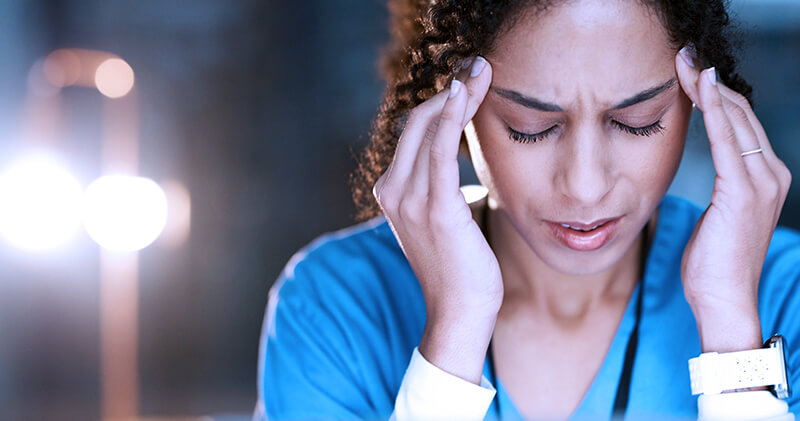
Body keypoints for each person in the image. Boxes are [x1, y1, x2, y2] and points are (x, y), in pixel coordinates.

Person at [256, 0, 798, 419]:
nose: (585, 187)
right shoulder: (336, 304)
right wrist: (455, 334)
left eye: (638, 121)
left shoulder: (785, 292)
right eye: (531, 127)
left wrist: (733, 331)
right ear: (453, 107)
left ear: (699, 99)